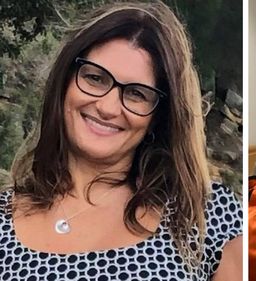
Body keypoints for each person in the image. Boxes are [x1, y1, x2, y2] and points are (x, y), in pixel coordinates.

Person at [0, 2, 242, 280]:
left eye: (137, 94)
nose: (108, 107)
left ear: (158, 115)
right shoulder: (3, 219)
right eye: (95, 78)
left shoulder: (206, 215)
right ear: (64, 82)